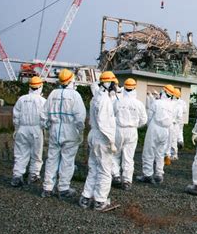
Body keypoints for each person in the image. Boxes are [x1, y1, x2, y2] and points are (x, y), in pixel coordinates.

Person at [41, 69, 86, 198]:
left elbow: (44, 114)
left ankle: (47, 188)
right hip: (70, 131)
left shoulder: (53, 94)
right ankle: (63, 188)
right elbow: (80, 116)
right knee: (67, 160)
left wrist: (47, 125)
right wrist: (80, 130)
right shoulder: (75, 95)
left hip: (55, 130)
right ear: (71, 80)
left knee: (51, 159)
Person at [79, 71, 119, 212]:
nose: (115, 86)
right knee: (105, 170)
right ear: (109, 83)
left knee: (94, 167)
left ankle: (86, 197)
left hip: (94, 135)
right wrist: (111, 141)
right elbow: (104, 123)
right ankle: (100, 201)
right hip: (103, 137)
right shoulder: (104, 100)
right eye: (113, 83)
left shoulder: (96, 97)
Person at [112, 78, 147, 191]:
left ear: (124, 88)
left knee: (115, 154)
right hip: (132, 131)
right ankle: (127, 181)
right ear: (134, 88)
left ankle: (116, 175)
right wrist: (135, 126)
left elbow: (111, 116)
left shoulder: (117, 102)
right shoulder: (139, 104)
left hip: (118, 129)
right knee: (128, 156)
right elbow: (144, 120)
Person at [11, 76, 46, 187]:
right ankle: (34, 175)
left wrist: (16, 129)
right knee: (36, 154)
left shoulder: (21, 99)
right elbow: (45, 118)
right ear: (40, 86)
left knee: (20, 153)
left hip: (22, 129)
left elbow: (15, 116)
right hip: (36, 129)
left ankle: (17, 176)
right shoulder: (43, 101)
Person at [137, 84, 176, 184]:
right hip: (166, 130)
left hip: (155, 128)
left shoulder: (156, 103)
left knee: (149, 152)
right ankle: (159, 173)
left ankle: (147, 175)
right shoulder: (173, 106)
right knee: (160, 153)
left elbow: (149, 117)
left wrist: (150, 127)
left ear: (165, 92)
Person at [166, 88, 183, 161]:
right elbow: (180, 117)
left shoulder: (169, 103)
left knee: (168, 140)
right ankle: (174, 155)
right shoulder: (179, 105)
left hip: (169, 124)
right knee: (173, 140)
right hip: (175, 124)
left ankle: (168, 155)